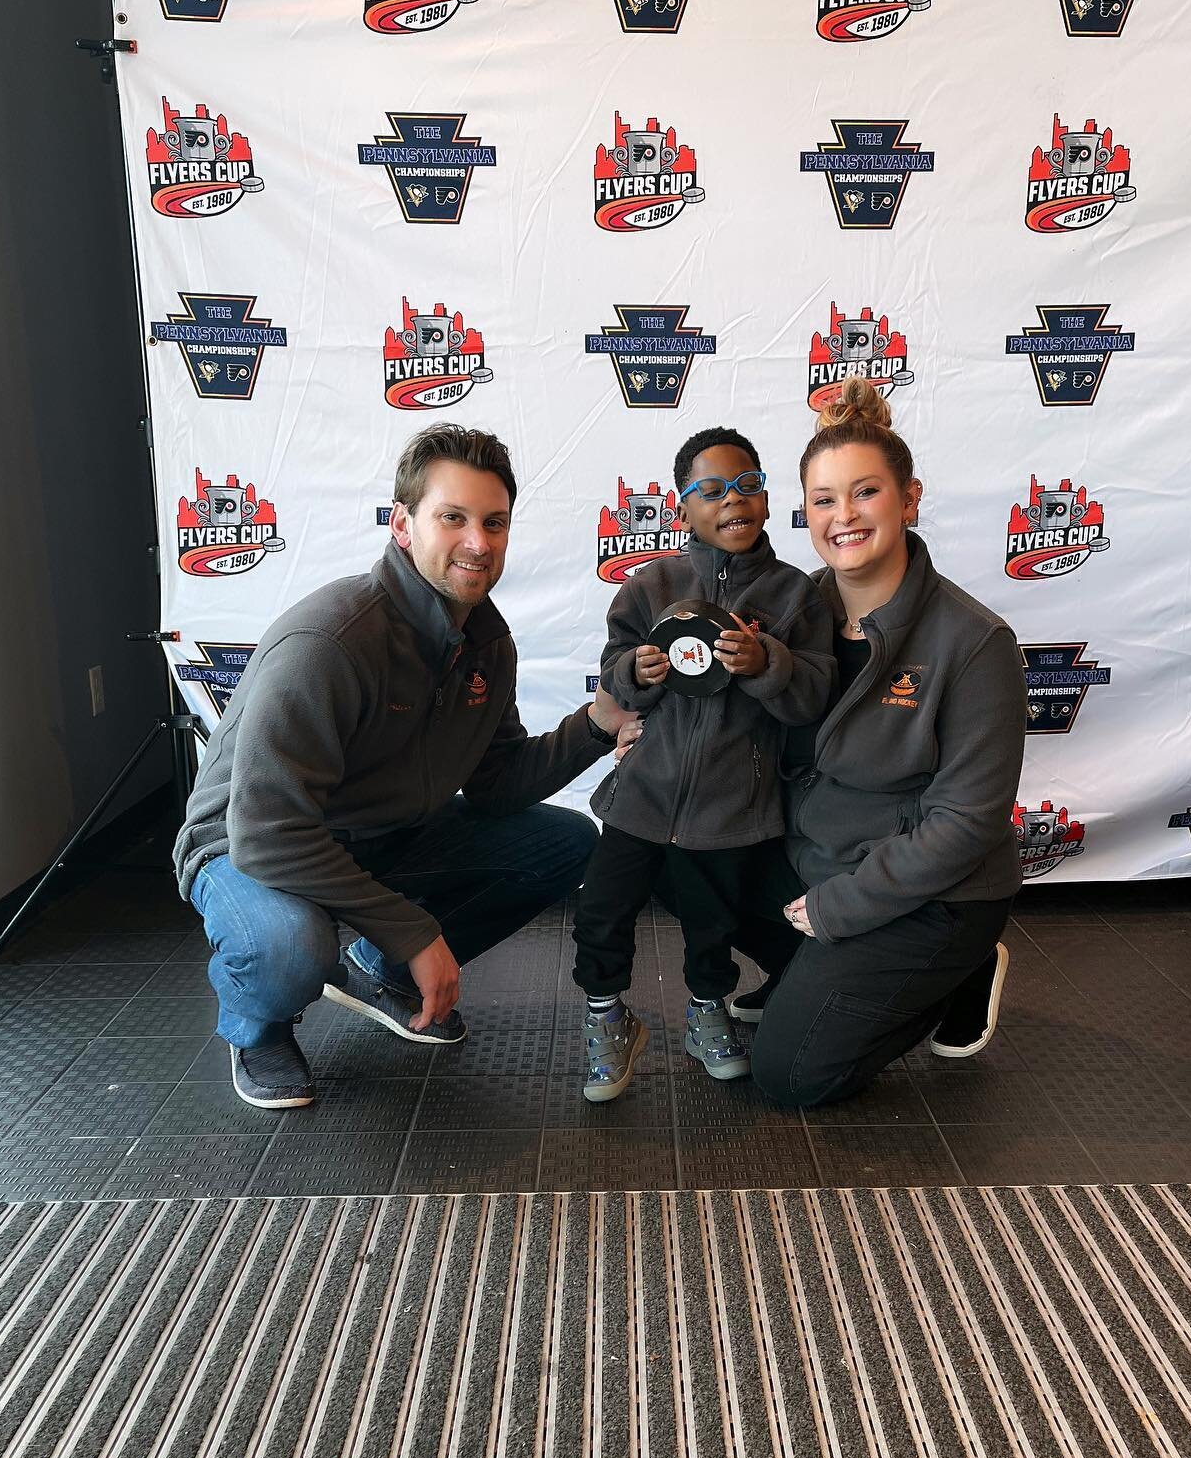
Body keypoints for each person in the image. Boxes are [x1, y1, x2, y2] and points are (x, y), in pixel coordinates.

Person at [173, 423, 635, 1111]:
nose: (478, 542)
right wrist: (415, 929)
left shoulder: (486, 640)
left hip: (384, 833)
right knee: (291, 949)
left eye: (494, 521)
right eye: (453, 518)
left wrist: (595, 727)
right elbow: (268, 833)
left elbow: (498, 783)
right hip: (249, 847)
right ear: (402, 524)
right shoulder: (330, 640)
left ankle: (382, 975)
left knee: (563, 843)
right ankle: (258, 1027)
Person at [725, 377, 1026, 1106]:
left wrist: (842, 907)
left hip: (933, 893)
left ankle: (960, 969)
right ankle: (819, 975)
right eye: (825, 500)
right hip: (818, 858)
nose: (844, 516)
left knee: (788, 1075)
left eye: (866, 493)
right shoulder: (790, 614)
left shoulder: (974, 642)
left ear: (909, 499)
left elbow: (966, 822)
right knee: (681, 853)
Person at [571, 426, 834, 1101]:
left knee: (711, 924)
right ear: (681, 507)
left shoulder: (796, 596)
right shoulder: (651, 585)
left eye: (748, 486)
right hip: (642, 796)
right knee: (602, 910)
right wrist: (637, 669)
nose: (732, 501)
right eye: (711, 490)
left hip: (731, 807)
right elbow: (612, 676)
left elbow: (811, 697)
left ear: (769, 501)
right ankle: (606, 1017)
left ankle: (705, 1012)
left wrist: (766, 661)